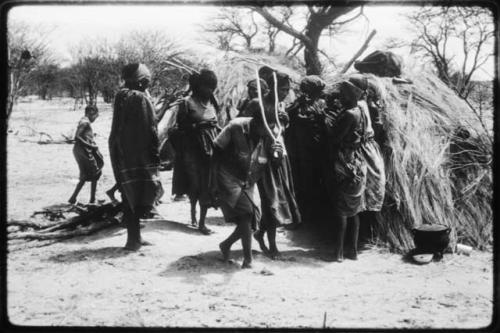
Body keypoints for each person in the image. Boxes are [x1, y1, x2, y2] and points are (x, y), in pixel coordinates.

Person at [212, 105, 285, 268]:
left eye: (272, 126)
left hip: (248, 178)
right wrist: (213, 182)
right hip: (228, 176)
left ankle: (226, 245)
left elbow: (275, 165)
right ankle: (248, 259)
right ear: (256, 122)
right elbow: (216, 149)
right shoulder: (236, 126)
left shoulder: (271, 136)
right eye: (267, 126)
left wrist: (277, 155)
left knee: (251, 218)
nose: (270, 130)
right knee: (247, 214)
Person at [109, 63, 164, 251]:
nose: (149, 82)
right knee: (139, 193)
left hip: (123, 153)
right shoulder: (139, 98)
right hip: (139, 155)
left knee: (129, 194)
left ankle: (135, 237)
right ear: (140, 81)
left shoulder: (121, 95)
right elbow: (151, 127)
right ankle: (133, 240)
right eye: (146, 79)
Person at [248, 70, 302, 258]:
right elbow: (248, 130)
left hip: (279, 158)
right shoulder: (258, 105)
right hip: (264, 159)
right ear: (273, 87)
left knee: (278, 198)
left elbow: (280, 130)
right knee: (270, 200)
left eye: (288, 89)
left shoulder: (281, 105)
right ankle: (273, 246)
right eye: (283, 89)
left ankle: (261, 233)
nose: (287, 93)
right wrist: (268, 128)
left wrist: (284, 125)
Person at [169, 69, 220, 235]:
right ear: (198, 86)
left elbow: (217, 122)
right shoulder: (186, 102)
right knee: (195, 184)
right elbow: (179, 128)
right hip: (192, 150)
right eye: (207, 87)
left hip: (211, 150)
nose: (210, 91)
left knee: (208, 184)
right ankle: (193, 214)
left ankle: (202, 223)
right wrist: (197, 127)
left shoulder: (213, 102)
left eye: (213, 87)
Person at [323, 81, 369, 262]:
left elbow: (335, 138)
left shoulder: (350, 114)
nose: (340, 97)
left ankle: (339, 251)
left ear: (350, 95)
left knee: (341, 210)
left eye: (343, 94)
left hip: (345, 161)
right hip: (358, 161)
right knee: (355, 209)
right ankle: (354, 250)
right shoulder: (361, 112)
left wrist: (326, 123)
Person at [285, 75, 329, 224]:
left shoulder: (322, 103)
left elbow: (325, 123)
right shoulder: (298, 104)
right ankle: (299, 216)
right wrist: (299, 106)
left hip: (315, 149)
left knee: (314, 182)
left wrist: (317, 118)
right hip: (299, 149)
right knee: (299, 182)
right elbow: (288, 116)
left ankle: (313, 216)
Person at [68, 105, 104, 204]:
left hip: (80, 150)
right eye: (95, 116)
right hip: (83, 150)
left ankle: (73, 198)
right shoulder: (85, 123)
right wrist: (90, 146)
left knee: (85, 174)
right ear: (91, 113)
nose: (95, 119)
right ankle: (92, 199)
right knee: (96, 172)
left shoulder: (83, 121)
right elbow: (77, 137)